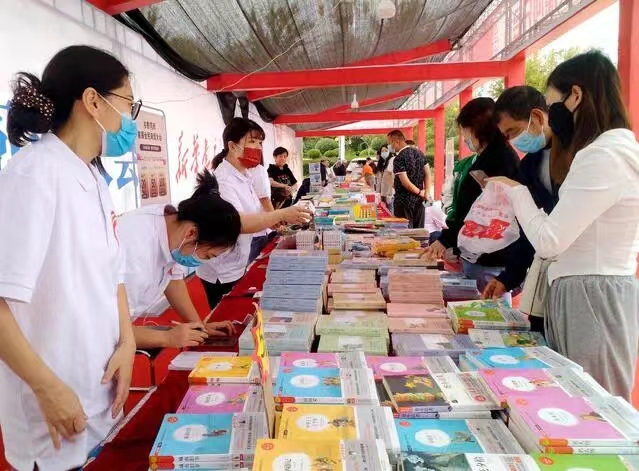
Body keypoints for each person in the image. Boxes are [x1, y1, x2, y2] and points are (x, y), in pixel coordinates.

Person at [0, 45, 136, 470]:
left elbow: (112, 277)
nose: (129, 121)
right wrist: (47, 388)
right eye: (128, 104)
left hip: (98, 400)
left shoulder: (92, 176)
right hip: (54, 419)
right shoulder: (35, 173)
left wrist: (128, 342)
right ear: (93, 101)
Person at [489, 51, 639, 399]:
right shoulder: (604, 152)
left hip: (590, 297)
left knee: (592, 403)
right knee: (574, 397)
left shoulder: (603, 156)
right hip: (584, 289)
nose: (553, 117)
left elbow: (550, 240)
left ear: (576, 96)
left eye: (554, 104)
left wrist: (516, 192)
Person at [117, 171, 241, 349]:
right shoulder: (134, 251)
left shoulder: (173, 228)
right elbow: (107, 330)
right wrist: (167, 338)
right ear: (191, 233)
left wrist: (199, 326)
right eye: (208, 256)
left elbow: (173, 279)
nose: (203, 261)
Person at [198, 118, 311, 310]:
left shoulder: (245, 175)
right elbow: (238, 222)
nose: (258, 148)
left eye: (260, 143)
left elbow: (254, 209)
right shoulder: (224, 181)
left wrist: (270, 220)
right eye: (252, 141)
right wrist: (280, 214)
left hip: (238, 258)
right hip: (221, 266)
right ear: (232, 146)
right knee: (228, 314)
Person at [482, 86, 558, 334]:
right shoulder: (529, 166)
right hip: (545, 276)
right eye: (506, 136)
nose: (513, 141)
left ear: (536, 117)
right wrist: (508, 277)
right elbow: (527, 229)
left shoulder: (577, 157)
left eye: (513, 131)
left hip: (577, 274)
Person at [423, 98, 520, 291]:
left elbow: (475, 210)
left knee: (488, 302)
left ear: (476, 128)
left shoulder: (496, 160)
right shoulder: (492, 156)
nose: (464, 137)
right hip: (486, 254)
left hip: (490, 257)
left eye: (465, 130)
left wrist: (446, 240)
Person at [387, 129, 430, 228]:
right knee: (418, 232)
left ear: (396, 141)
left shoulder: (399, 158)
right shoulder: (420, 153)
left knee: (404, 233)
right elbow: (427, 173)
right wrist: (426, 192)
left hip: (404, 202)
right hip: (419, 201)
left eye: (390, 143)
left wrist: (419, 192)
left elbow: (405, 182)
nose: (390, 146)